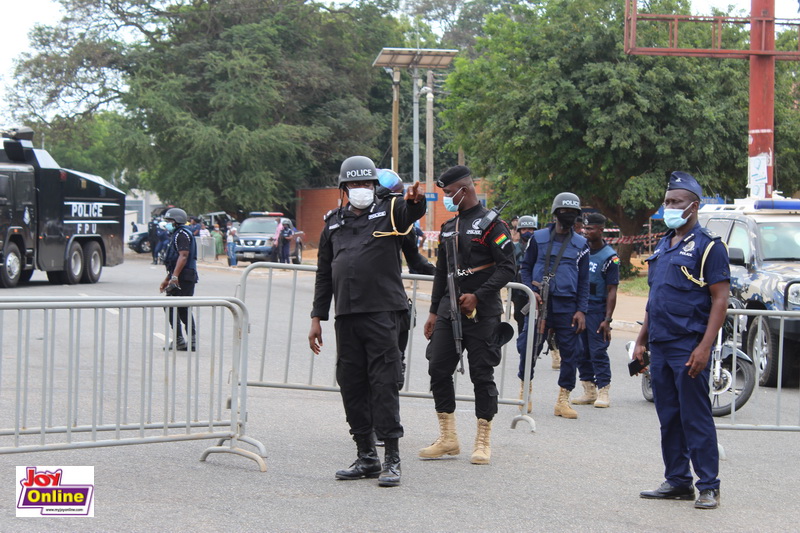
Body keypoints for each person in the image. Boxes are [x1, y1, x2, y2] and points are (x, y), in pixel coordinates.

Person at [308, 155, 425, 487]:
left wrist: (415, 203)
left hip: (383, 314)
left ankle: (391, 458)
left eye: (366, 184)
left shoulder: (390, 211)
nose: (361, 189)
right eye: (355, 184)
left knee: (384, 384)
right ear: (344, 189)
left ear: (375, 187)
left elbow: (410, 211)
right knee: (352, 384)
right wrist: (317, 317)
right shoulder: (332, 223)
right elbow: (323, 275)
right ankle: (366, 456)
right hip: (346, 317)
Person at [635, 172, 729, 510]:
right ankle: (677, 481)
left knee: (695, 416)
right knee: (669, 417)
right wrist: (641, 339)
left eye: (676, 202)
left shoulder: (709, 247)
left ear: (694, 205)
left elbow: (720, 299)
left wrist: (704, 346)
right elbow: (655, 298)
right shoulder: (663, 243)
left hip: (689, 345)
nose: (670, 207)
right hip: (660, 344)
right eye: (667, 202)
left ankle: (708, 486)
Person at [419, 165, 516, 465]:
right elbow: (441, 274)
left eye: (449, 193)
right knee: (437, 367)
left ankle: (482, 440)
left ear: (465, 189)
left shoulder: (493, 226)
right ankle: (448, 438)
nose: (446, 198)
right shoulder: (449, 227)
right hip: (450, 312)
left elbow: (507, 267)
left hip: (483, 313)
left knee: (481, 375)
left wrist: (478, 295)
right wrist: (434, 312)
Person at [517, 192, 589, 419]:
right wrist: (531, 292)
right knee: (529, 347)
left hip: (567, 305)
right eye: (564, 212)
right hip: (539, 302)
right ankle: (524, 392)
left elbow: (584, 280)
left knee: (571, 352)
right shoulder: (537, 238)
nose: (568, 216)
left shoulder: (581, 244)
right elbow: (525, 268)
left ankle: (563, 399)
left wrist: (581, 310)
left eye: (572, 214)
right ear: (556, 213)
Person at [572, 213, 618, 408]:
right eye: (585, 228)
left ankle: (603, 389)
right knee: (580, 350)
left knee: (598, 350)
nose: (586, 232)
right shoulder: (580, 251)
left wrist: (607, 319)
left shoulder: (610, 257)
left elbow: (612, 290)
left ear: (601, 230)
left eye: (590, 229)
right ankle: (588, 389)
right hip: (580, 307)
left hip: (598, 308)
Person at [158, 207, 199, 351]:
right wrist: (167, 278)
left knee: (172, 306)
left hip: (184, 276)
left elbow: (183, 256)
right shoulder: (178, 234)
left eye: (169, 221)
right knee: (181, 307)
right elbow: (175, 260)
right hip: (182, 275)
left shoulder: (181, 234)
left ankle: (180, 340)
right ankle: (188, 340)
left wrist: (174, 277)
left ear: (177, 221)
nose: (167, 224)